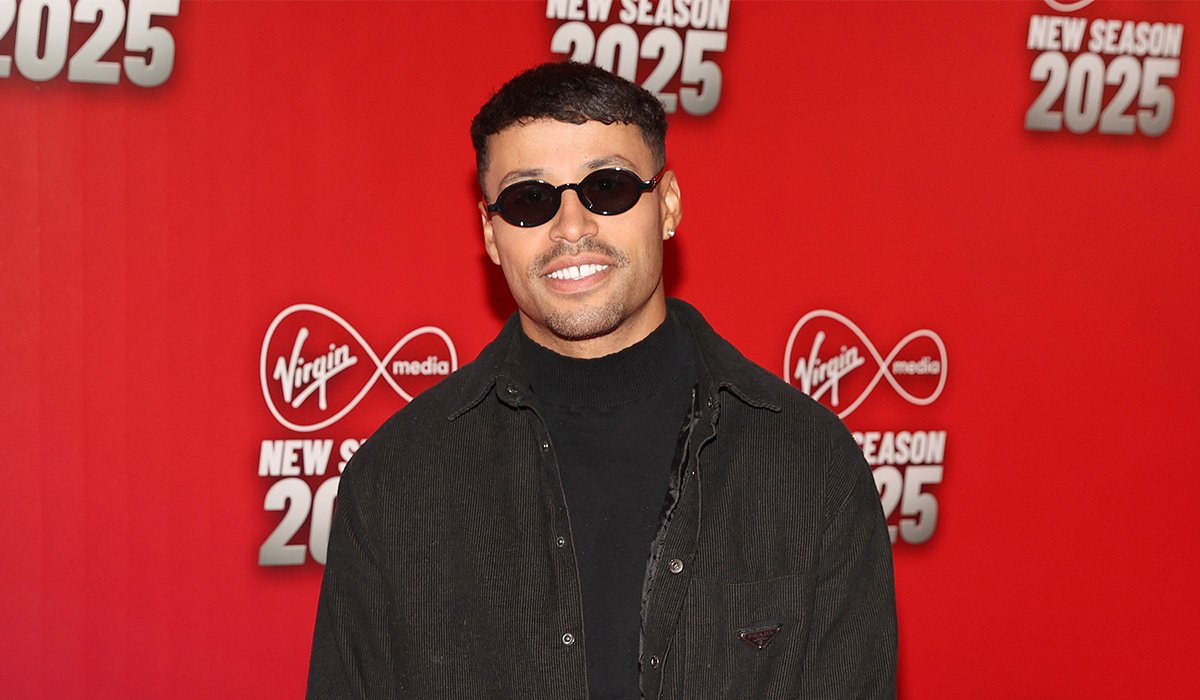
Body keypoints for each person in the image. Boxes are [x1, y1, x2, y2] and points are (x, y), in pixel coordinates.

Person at [307, 61, 897, 699]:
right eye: (530, 200)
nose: (572, 229)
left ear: (667, 205)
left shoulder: (810, 465)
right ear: (491, 234)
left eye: (608, 187)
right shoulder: (395, 481)